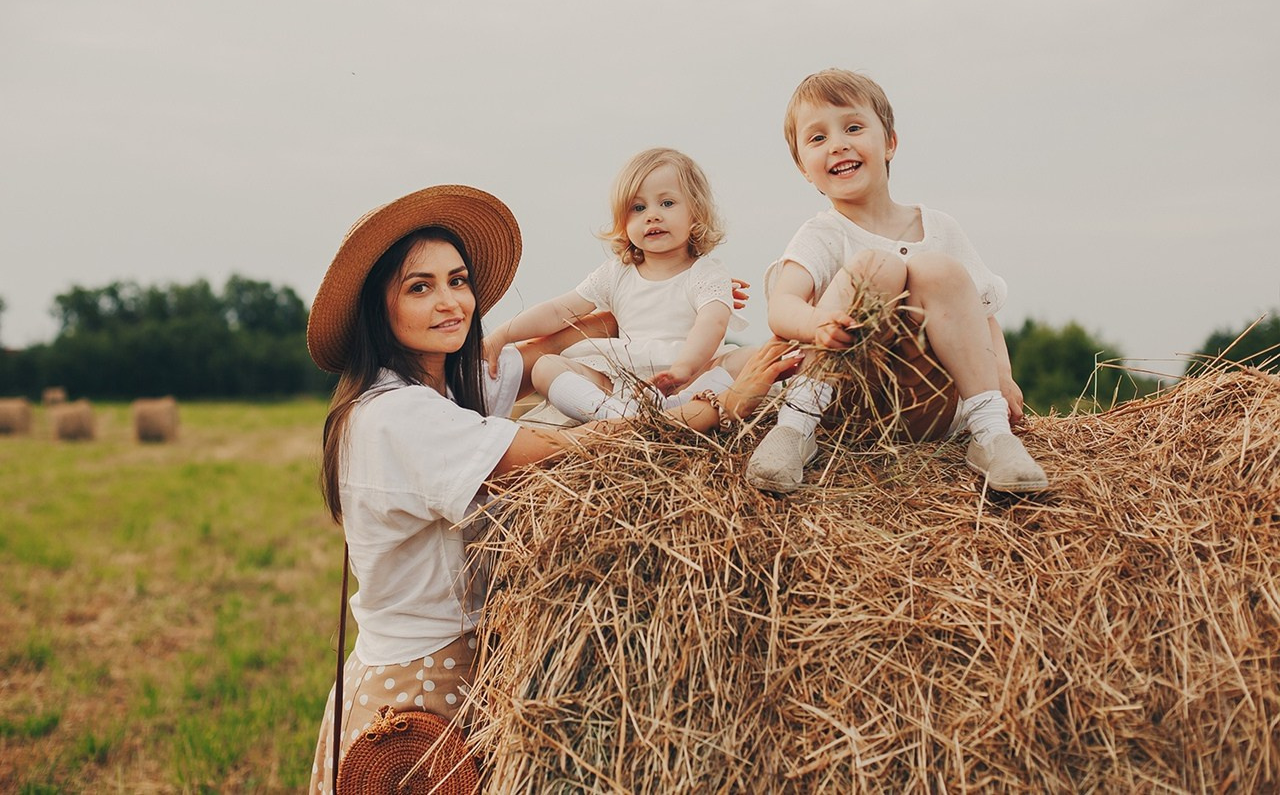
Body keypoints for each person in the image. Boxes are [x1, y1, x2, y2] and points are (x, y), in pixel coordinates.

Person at [305, 184, 801, 792]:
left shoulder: (448, 388)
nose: (450, 302)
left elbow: (552, 347)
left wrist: (664, 297)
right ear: (376, 310)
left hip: (467, 665)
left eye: (458, 281)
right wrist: (720, 406)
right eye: (419, 287)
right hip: (415, 695)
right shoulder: (397, 416)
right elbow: (571, 448)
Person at [745, 69, 1049, 494]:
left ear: (889, 141)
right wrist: (816, 324)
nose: (837, 144)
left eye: (853, 127)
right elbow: (782, 306)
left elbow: (983, 317)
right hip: (845, 404)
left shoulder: (941, 229)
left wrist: (1002, 375)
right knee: (877, 268)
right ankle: (795, 429)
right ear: (803, 169)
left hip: (932, 409)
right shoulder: (822, 234)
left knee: (940, 272)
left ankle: (990, 434)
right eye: (817, 139)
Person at [482, 148, 748, 424]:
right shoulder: (616, 274)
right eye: (638, 208)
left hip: (691, 375)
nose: (652, 216)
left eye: (667, 203)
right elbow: (559, 310)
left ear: (696, 212)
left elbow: (712, 324)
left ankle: (681, 408)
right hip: (624, 381)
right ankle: (612, 415)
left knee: (749, 359)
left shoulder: (706, 273)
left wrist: (683, 369)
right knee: (545, 367)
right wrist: (503, 334)